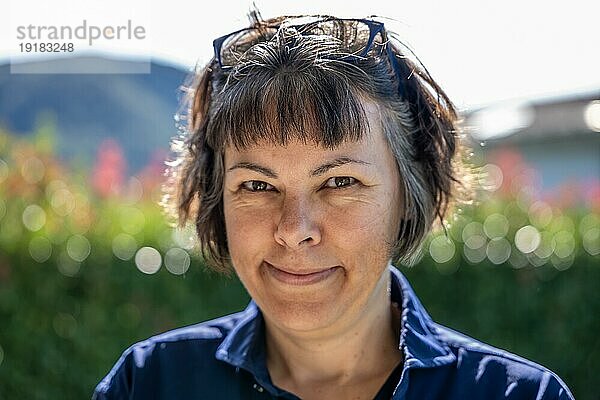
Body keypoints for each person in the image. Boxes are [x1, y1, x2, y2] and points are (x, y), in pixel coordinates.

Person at [93, 12, 574, 400]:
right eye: (258, 185)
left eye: (339, 181)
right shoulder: (149, 385)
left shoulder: (516, 395)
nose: (294, 229)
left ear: (409, 192)